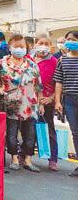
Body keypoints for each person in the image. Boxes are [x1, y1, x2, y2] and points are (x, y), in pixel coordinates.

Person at [0, 34, 41, 173]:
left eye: (22, 46)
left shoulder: (32, 64)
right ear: (10, 47)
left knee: (30, 134)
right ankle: (14, 158)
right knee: (11, 133)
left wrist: (41, 104)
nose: (19, 49)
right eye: (16, 46)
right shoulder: (1, 63)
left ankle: (27, 160)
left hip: (29, 104)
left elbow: (38, 85)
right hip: (10, 104)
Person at [54, 30, 78, 177]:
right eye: (68, 39)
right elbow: (59, 81)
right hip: (69, 100)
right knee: (75, 132)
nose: (70, 42)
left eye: (74, 39)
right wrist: (57, 100)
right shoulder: (62, 59)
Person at [34, 36, 59, 171]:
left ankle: (53, 159)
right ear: (34, 44)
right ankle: (24, 156)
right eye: (40, 43)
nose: (43, 46)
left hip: (47, 101)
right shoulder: (28, 60)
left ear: (51, 47)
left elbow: (60, 83)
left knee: (49, 130)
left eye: (46, 44)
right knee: (27, 130)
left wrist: (51, 98)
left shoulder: (55, 62)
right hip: (30, 101)